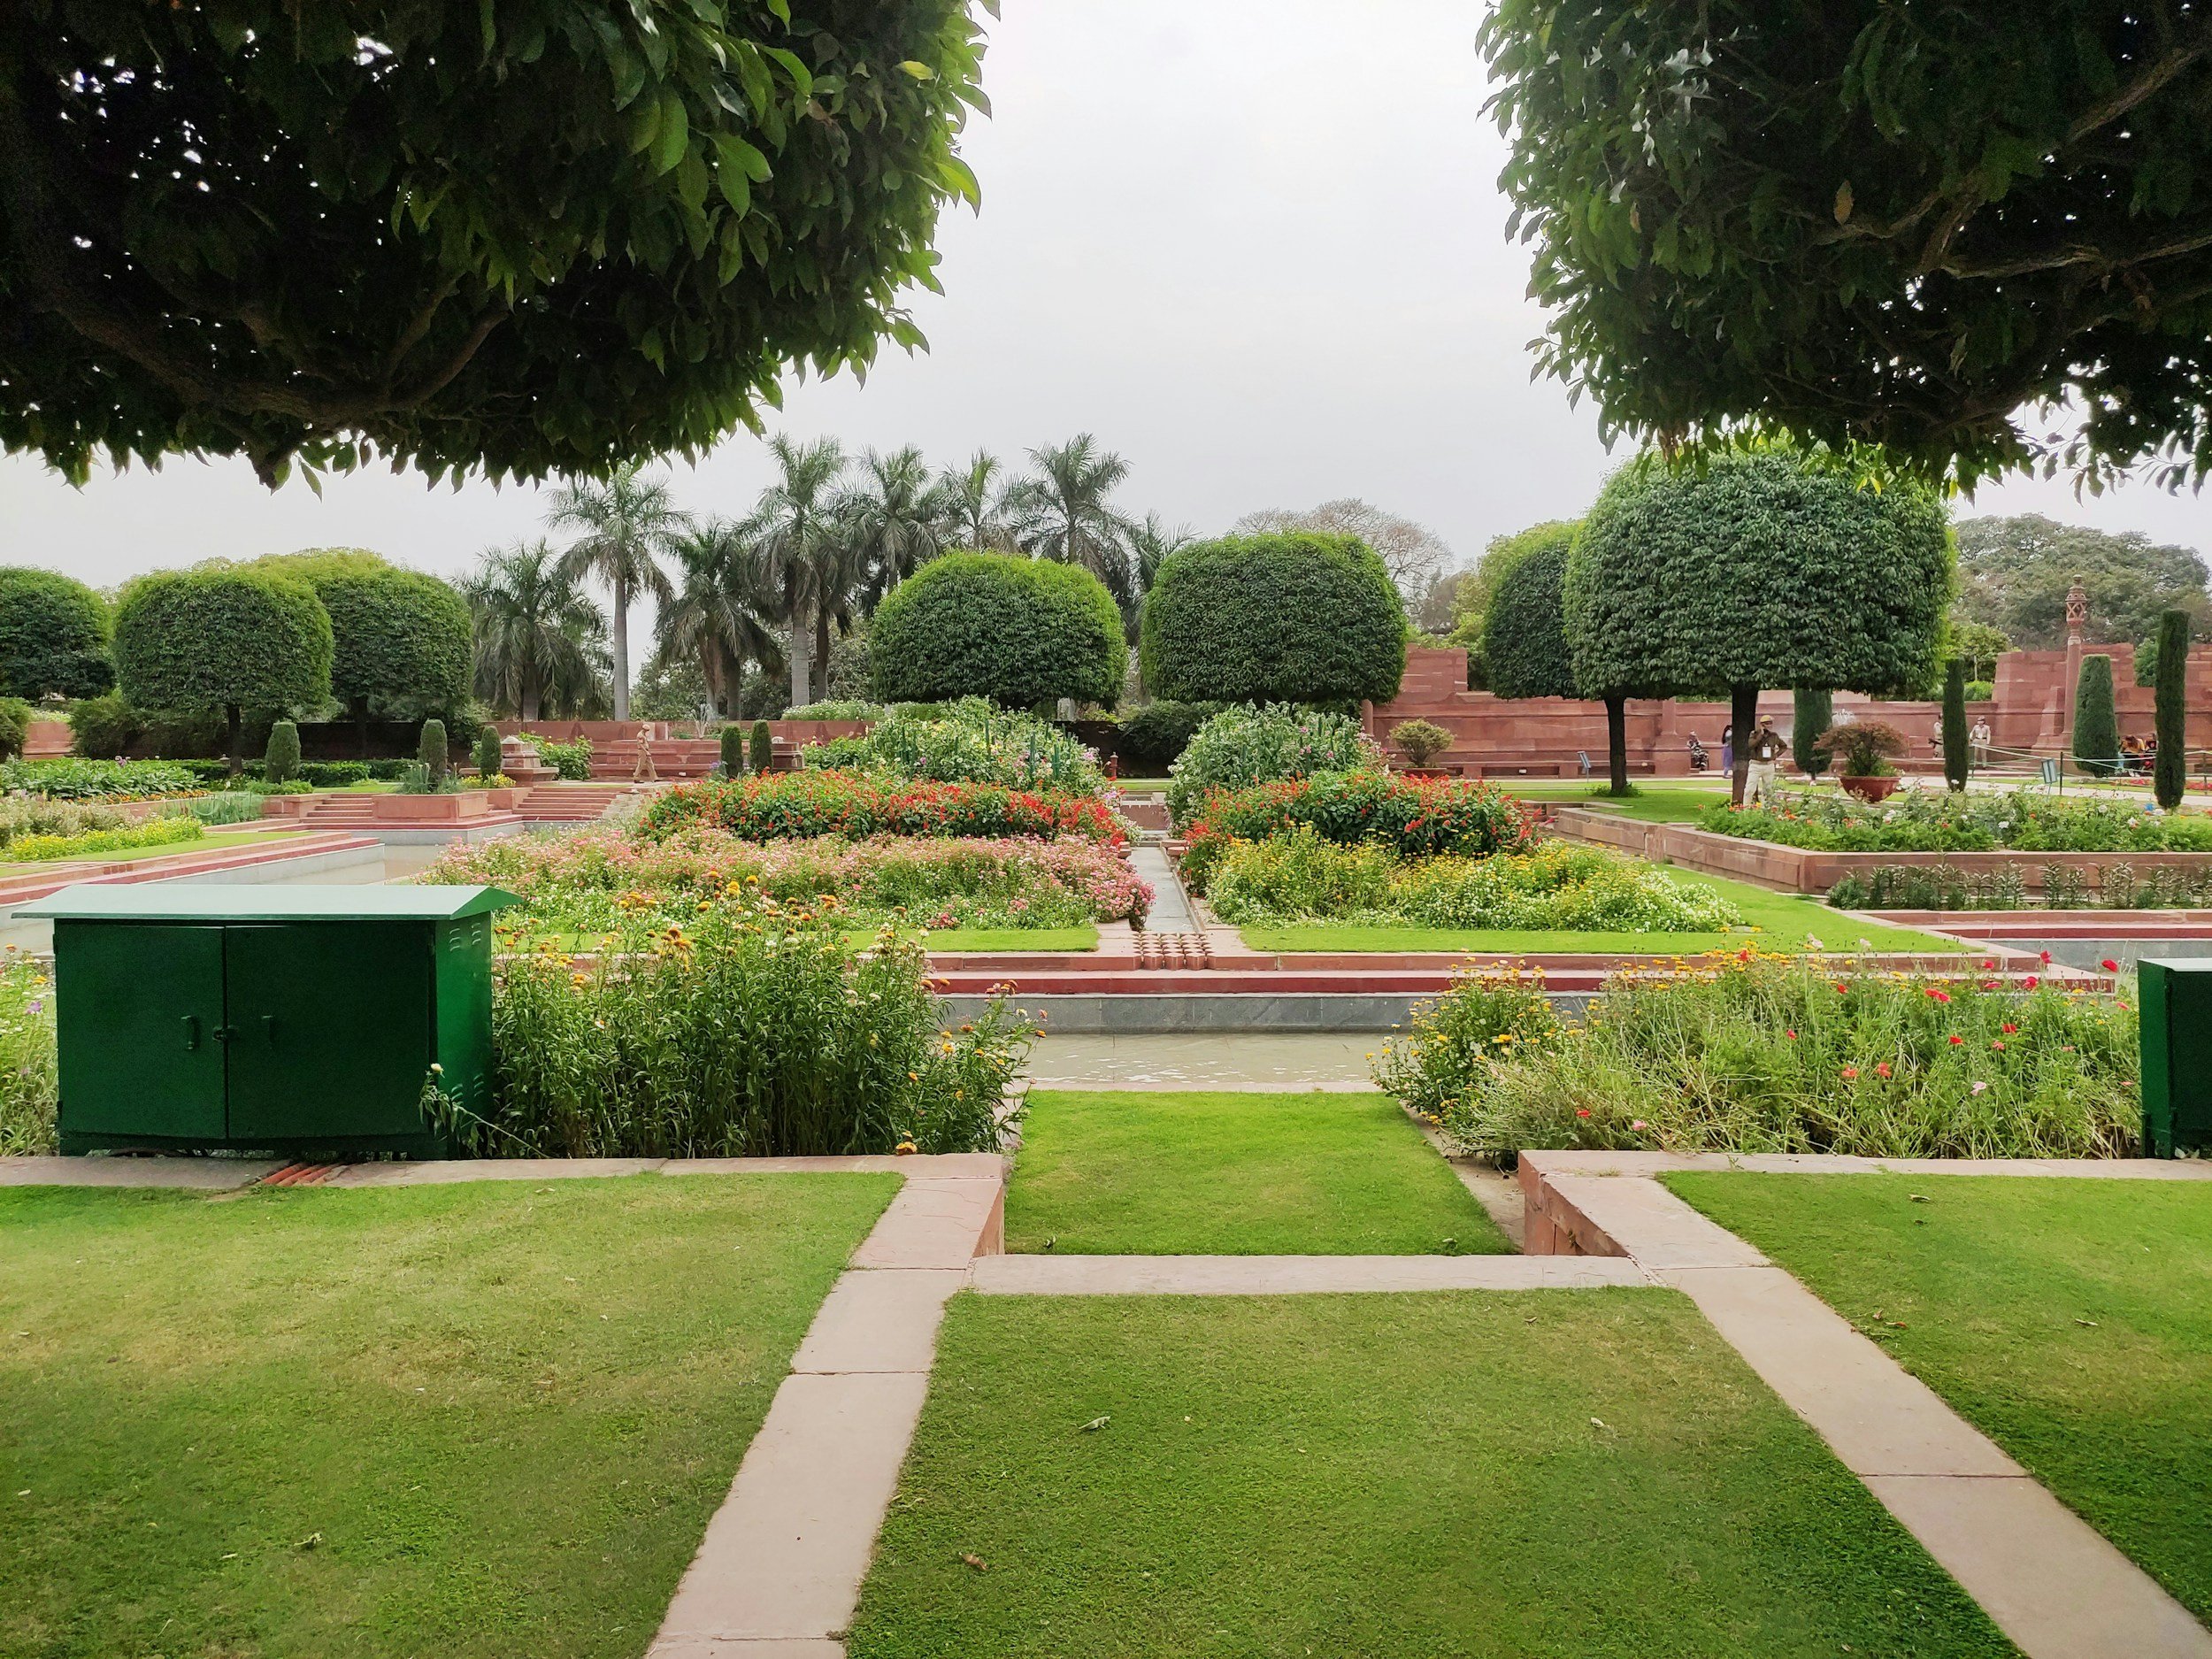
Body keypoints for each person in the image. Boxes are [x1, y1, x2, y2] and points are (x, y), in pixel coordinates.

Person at [1743, 714, 1790, 805]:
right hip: (1756, 765)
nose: (1769, 725)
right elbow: (1751, 745)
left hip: (1768, 765)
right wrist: (1760, 735)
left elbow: (1783, 746)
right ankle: (1745, 809)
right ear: (1762, 724)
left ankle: (1765, 809)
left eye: (1770, 723)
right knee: (1749, 789)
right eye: (1766, 723)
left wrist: (1775, 755)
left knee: (1768, 790)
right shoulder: (1754, 734)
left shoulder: (1774, 736)